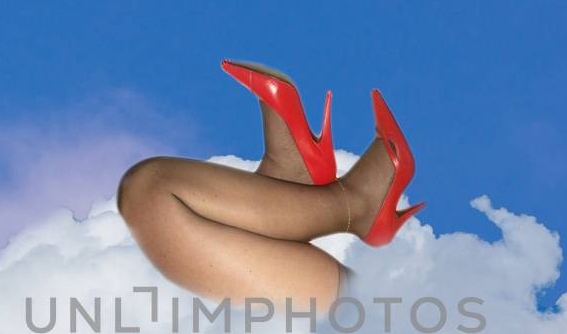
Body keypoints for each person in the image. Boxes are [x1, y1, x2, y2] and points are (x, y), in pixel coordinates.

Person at [116, 61, 424, 310]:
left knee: (150, 191)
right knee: (151, 194)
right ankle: (348, 203)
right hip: (365, 328)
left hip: (361, 328)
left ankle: (301, 182)